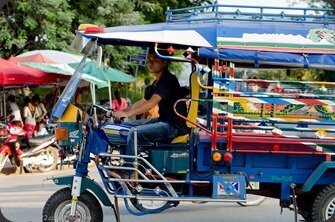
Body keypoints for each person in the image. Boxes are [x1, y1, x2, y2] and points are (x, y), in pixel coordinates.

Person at [113, 48, 189, 174]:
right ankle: (127, 160)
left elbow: (151, 103)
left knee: (133, 132)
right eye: (149, 60)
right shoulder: (157, 82)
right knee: (124, 127)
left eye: (155, 60)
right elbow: (142, 101)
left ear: (164, 63)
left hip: (172, 126)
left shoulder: (168, 80)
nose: (151, 63)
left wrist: (126, 114)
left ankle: (128, 171)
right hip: (163, 121)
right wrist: (120, 111)